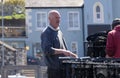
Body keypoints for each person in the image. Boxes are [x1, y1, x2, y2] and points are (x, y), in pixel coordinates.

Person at [41, 10, 78, 78]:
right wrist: (63, 51)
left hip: (63, 69)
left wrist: (72, 55)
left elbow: (65, 50)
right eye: (56, 18)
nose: (58, 20)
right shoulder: (46, 33)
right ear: (49, 19)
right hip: (54, 71)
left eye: (59, 18)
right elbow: (47, 50)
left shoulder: (59, 32)